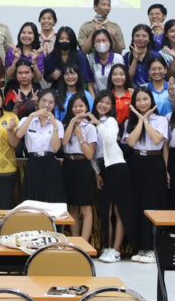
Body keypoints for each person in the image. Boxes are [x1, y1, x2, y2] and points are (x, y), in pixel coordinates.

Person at [90, 90, 139, 263]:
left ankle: (117, 249)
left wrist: (98, 124)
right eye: (100, 102)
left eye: (107, 103)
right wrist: (97, 172)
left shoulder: (110, 121)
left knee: (119, 210)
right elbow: (93, 152)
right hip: (104, 168)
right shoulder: (92, 123)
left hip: (118, 167)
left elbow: (110, 140)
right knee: (106, 211)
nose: (103, 105)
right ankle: (108, 247)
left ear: (112, 106)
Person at [121, 88, 167, 262]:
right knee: (137, 204)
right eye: (138, 100)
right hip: (135, 163)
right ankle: (141, 247)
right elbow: (131, 142)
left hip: (154, 162)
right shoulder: (129, 122)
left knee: (153, 204)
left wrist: (146, 120)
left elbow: (156, 139)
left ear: (151, 100)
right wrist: (140, 120)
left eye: (145, 99)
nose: (142, 103)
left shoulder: (161, 120)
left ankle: (153, 248)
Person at [61, 94, 98, 243]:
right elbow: (64, 143)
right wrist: (72, 123)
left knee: (85, 208)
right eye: (75, 106)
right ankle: (75, 242)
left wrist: (80, 136)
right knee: (72, 208)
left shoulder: (90, 127)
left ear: (87, 107)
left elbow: (89, 154)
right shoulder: (66, 125)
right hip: (68, 166)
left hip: (83, 166)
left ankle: (84, 243)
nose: (78, 109)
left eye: (81, 106)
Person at [15, 90, 64, 203]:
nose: (46, 105)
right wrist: (32, 115)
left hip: (50, 163)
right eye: (44, 101)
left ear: (54, 105)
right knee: (33, 200)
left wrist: (54, 125)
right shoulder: (27, 119)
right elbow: (19, 135)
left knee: (50, 199)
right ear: (38, 101)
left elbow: (55, 148)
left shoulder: (58, 123)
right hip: (33, 162)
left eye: (50, 102)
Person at [87, 29, 125, 93]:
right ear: (93, 44)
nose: (101, 43)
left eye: (104, 40)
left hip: (115, 95)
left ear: (110, 42)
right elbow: (90, 85)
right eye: (98, 41)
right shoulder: (89, 59)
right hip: (97, 97)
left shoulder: (118, 58)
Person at [126, 23, 159, 87]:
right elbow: (128, 79)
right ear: (133, 38)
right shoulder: (127, 56)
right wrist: (135, 59)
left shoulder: (156, 56)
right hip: (132, 90)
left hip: (152, 90)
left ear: (149, 39)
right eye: (137, 36)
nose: (140, 38)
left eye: (144, 36)